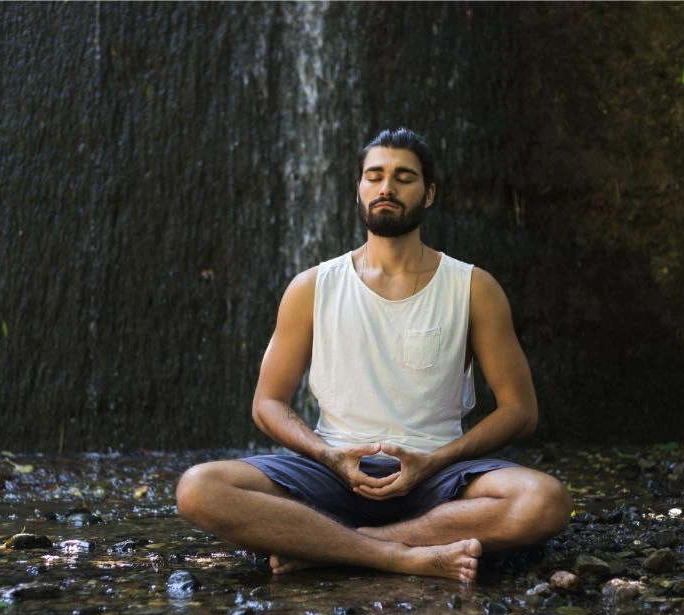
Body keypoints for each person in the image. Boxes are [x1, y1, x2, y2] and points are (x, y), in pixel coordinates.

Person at [176, 128, 571, 583]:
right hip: (333, 471)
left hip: (438, 474)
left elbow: (520, 411)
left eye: (404, 177)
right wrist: (328, 457)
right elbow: (267, 403)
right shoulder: (311, 287)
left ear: (429, 194)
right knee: (199, 488)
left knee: (544, 501)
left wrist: (436, 461)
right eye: (375, 176)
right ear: (359, 190)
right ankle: (401, 555)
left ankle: (335, 547)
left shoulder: (473, 287)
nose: (387, 188)